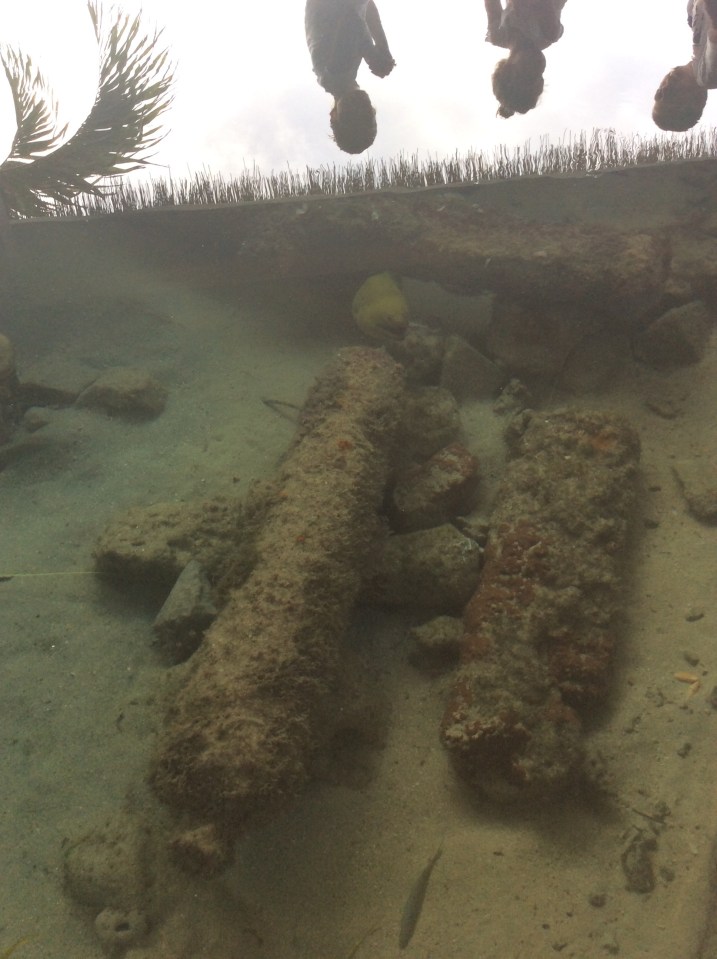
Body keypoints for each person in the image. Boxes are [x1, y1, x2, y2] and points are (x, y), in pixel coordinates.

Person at [305, 0, 396, 154]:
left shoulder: (336, 71)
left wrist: (374, 54)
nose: (360, 111)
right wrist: (381, 50)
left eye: (352, 119)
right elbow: (365, 7)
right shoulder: (338, 73)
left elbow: (352, 19)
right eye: (367, 118)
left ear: (334, 116)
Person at [484, 0, 567, 118]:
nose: (537, 70)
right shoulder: (548, 33)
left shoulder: (498, 35)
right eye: (538, 77)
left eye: (528, 75)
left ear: (507, 70)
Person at [653, 0, 717, 131]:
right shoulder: (708, 76)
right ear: (694, 102)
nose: (665, 90)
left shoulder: (697, 43)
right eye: (670, 98)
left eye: (659, 94)